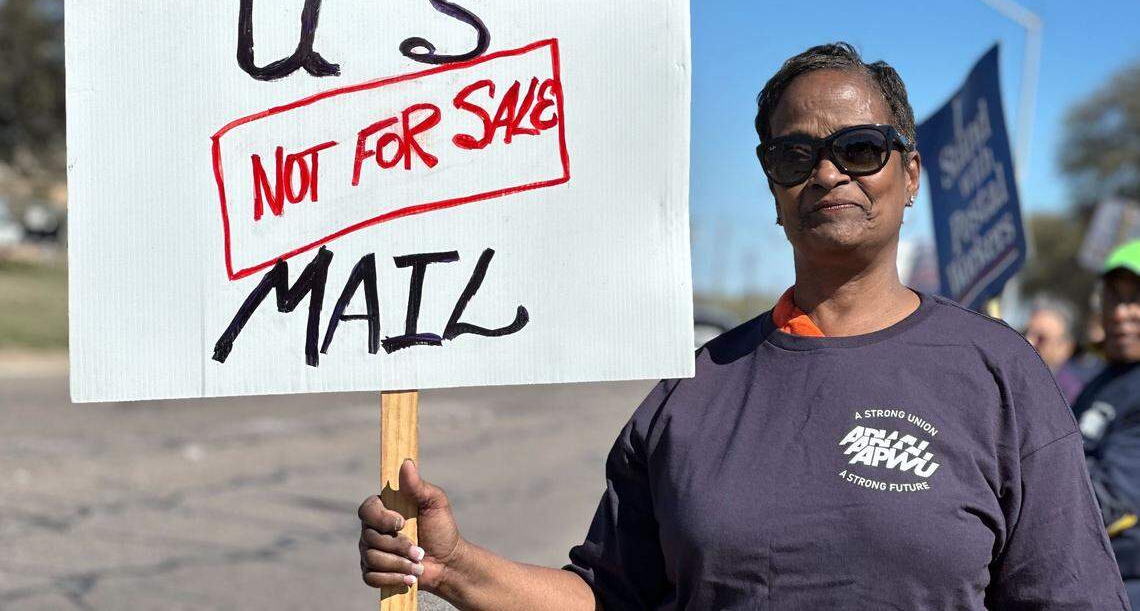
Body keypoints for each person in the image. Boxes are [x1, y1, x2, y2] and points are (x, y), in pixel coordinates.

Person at [358, 43, 1129, 609]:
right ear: (772, 184)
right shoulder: (689, 395)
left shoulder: (1000, 374)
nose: (828, 173)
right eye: (796, 155)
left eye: (858, 149)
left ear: (910, 171)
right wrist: (449, 565)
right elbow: (604, 598)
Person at [1072, 238, 1140, 607]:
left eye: (1136, 298)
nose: (1121, 313)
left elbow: (1113, 500)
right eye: (1115, 296)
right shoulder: (1101, 381)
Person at [1023, 295, 1083, 401]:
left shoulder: (1072, 396)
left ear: (1064, 347)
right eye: (1024, 333)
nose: (1029, 342)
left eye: (1041, 339)